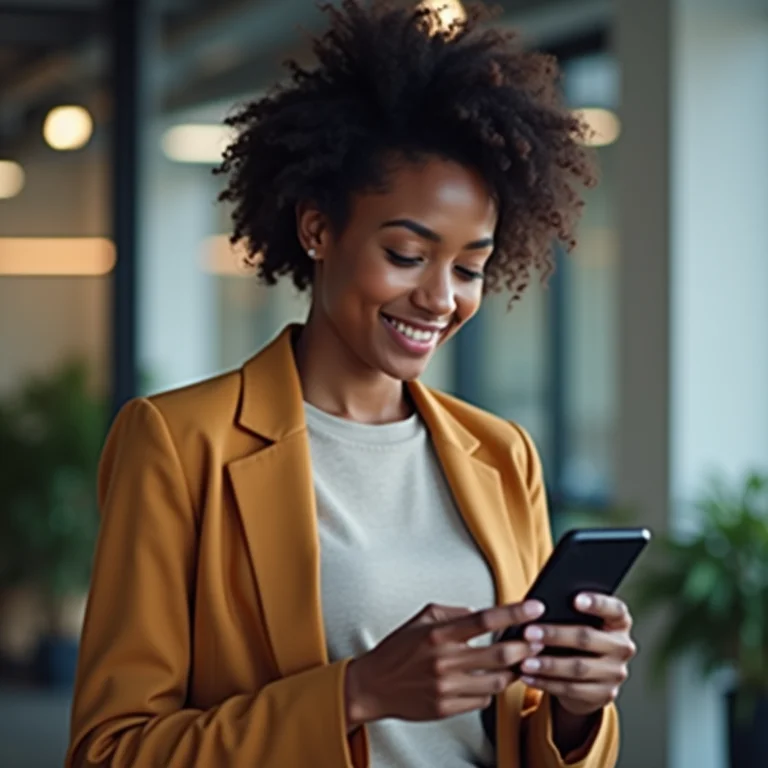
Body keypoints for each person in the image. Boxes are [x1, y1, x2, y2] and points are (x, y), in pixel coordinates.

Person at [66, 2, 637, 766]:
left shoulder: (502, 455)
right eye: (406, 254)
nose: (441, 299)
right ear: (317, 229)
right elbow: (110, 751)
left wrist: (576, 712)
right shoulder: (180, 444)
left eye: (469, 268)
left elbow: (515, 729)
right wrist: (356, 693)